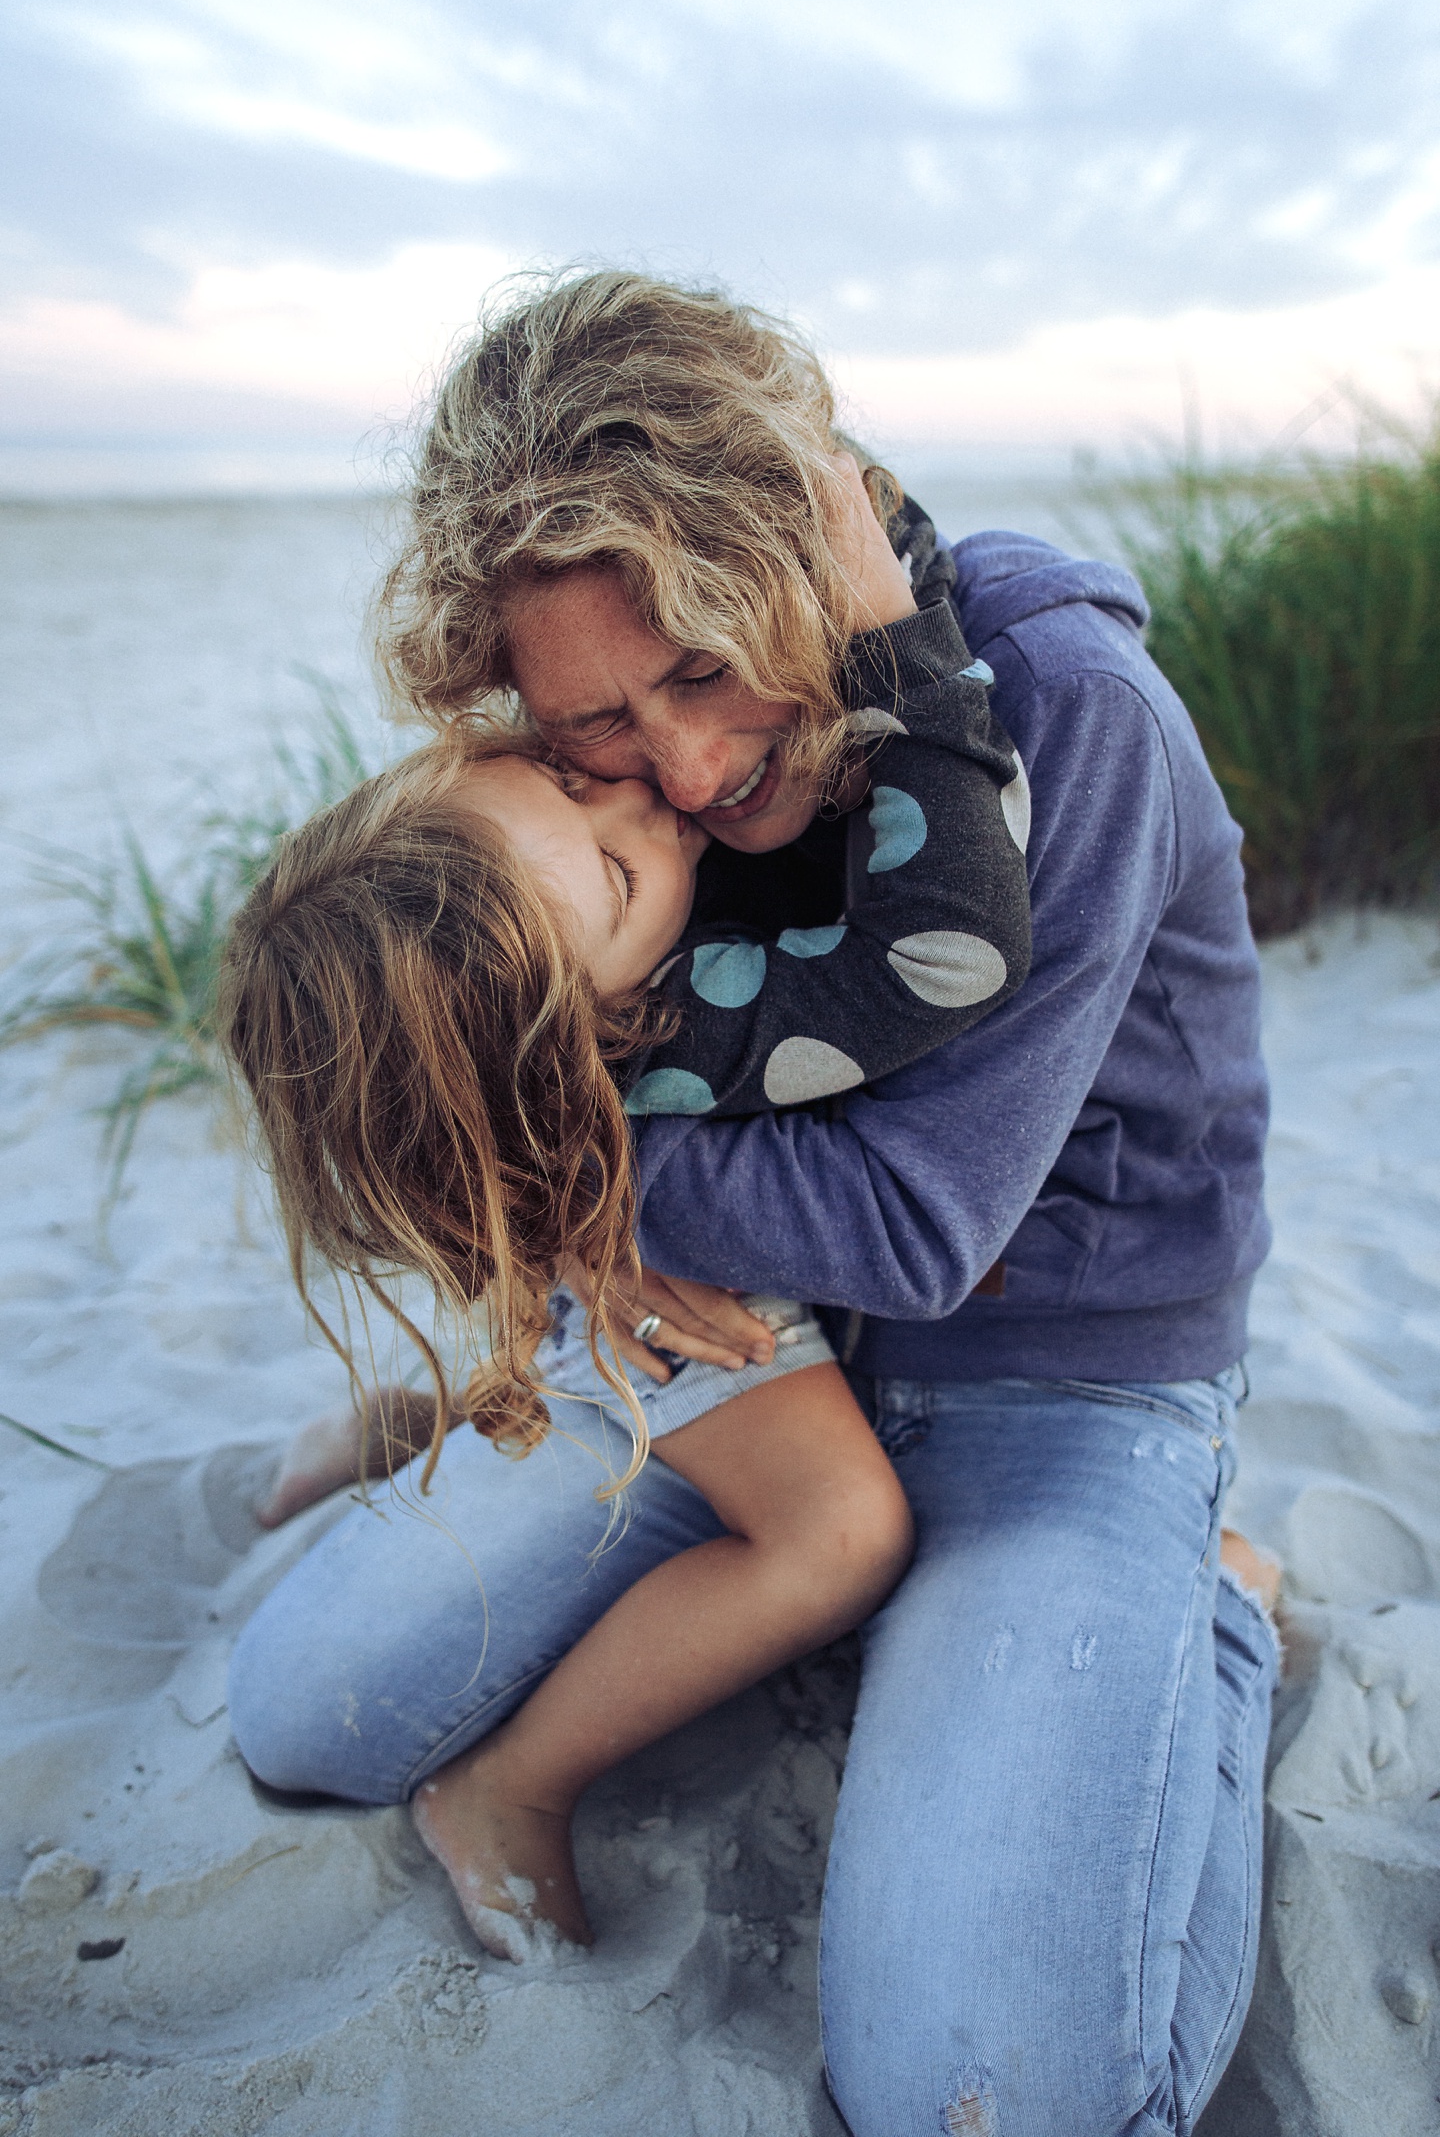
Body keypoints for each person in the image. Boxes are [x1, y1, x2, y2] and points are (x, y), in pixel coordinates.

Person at [230, 272, 1280, 2137]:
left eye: (707, 668)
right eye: (601, 730)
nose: (693, 777)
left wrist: (554, 1190)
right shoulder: (590, 800)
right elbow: (501, 1009)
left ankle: (1203, 1591)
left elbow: (908, 1225)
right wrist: (538, 1205)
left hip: (1053, 1365)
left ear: (806, 550)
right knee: (311, 1719)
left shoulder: (1063, 716)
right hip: (748, 1346)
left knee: (986, 2093)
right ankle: (463, 1426)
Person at [220, 495, 1034, 1956]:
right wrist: (902, 637)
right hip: (707, 1315)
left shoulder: (581, 963)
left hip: (635, 1290)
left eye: (562, 778)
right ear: (572, 1025)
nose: (644, 796)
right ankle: (511, 1786)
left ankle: (446, 1410)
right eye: (606, 864)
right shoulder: (680, 1023)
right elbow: (945, 946)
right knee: (838, 1535)